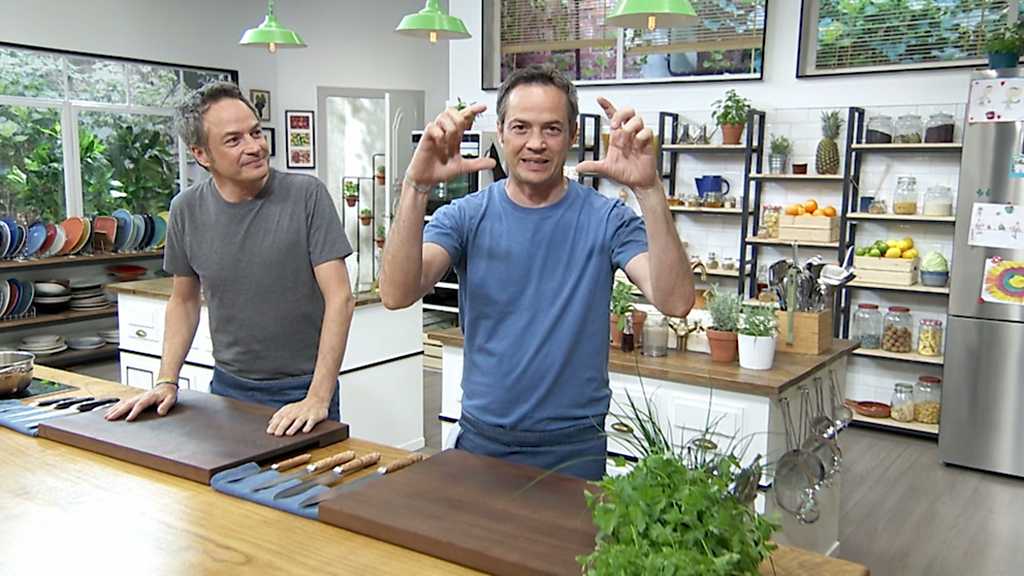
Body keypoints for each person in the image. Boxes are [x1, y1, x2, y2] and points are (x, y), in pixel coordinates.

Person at [380, 64, 694, 479]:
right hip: (483, 439)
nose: (535, 143)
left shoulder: (607, 219)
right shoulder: (466, 216)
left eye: (552, 129)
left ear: (573, 134)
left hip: (574, 448)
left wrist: (649, 190)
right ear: (501, 132)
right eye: (521, 127)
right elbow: (397, 293)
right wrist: (416, 186)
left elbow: (676, 301)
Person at [106, 82, 356, 436]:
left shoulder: (306, 195)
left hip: (302, 390)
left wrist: (318, 397)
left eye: (256, 132)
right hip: (227, 387)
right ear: (201, 154)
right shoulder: (186, 209)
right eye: (234, 140)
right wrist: (166, 380)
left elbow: (340, 298)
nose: (255, 147)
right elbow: (184, 301)